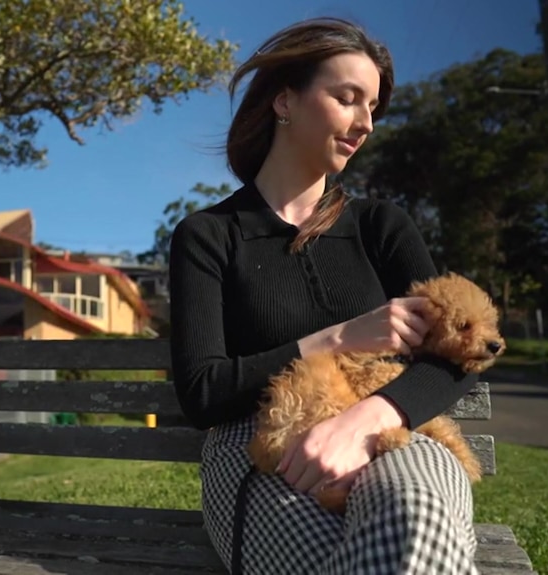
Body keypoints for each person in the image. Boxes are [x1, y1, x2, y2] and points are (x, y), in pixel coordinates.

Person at [168, 17, 480, 575]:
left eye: (373, 108)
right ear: (284, 100)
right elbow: (202, 393)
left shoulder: (382, 226)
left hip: (392, 432)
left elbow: (461, 353)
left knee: (415, 519)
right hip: (258, 450)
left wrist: (363, 420)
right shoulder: (209, 236)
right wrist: (339, 338)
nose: (366, 123)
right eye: (347, 98)